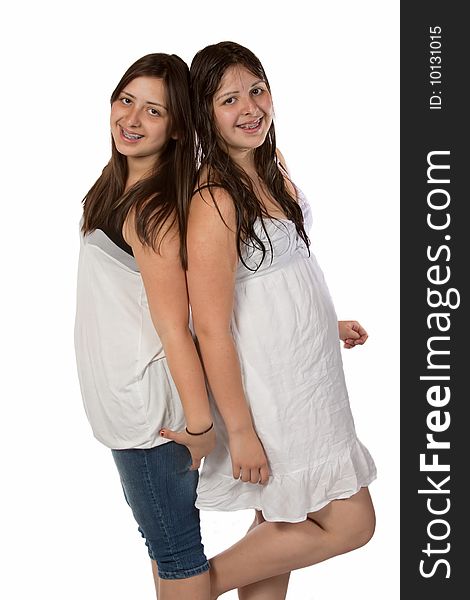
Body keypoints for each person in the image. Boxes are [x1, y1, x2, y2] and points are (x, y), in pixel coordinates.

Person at [162, 41, 377, 599]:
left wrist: (323, 323)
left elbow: (275, 280)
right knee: (353, 524)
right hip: (273, 395)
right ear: (206, 116)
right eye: (229, 99)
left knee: (278, 521)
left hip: (309, 376)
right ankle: (194, 586)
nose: (250, 107)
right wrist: (241, 433)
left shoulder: (270, 168)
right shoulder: (215, 198)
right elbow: (208, 325)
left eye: (256, 90)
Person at [74, 53, 216, 600]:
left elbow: (176, 326)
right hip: (128, 407)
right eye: (125, 100)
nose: (130, 119)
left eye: (153, 111)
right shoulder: (117, 186)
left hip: (151, 417)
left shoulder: (152, 212)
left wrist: (201, 429)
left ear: (177, 127)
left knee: (176, 551)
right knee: (166, 549)